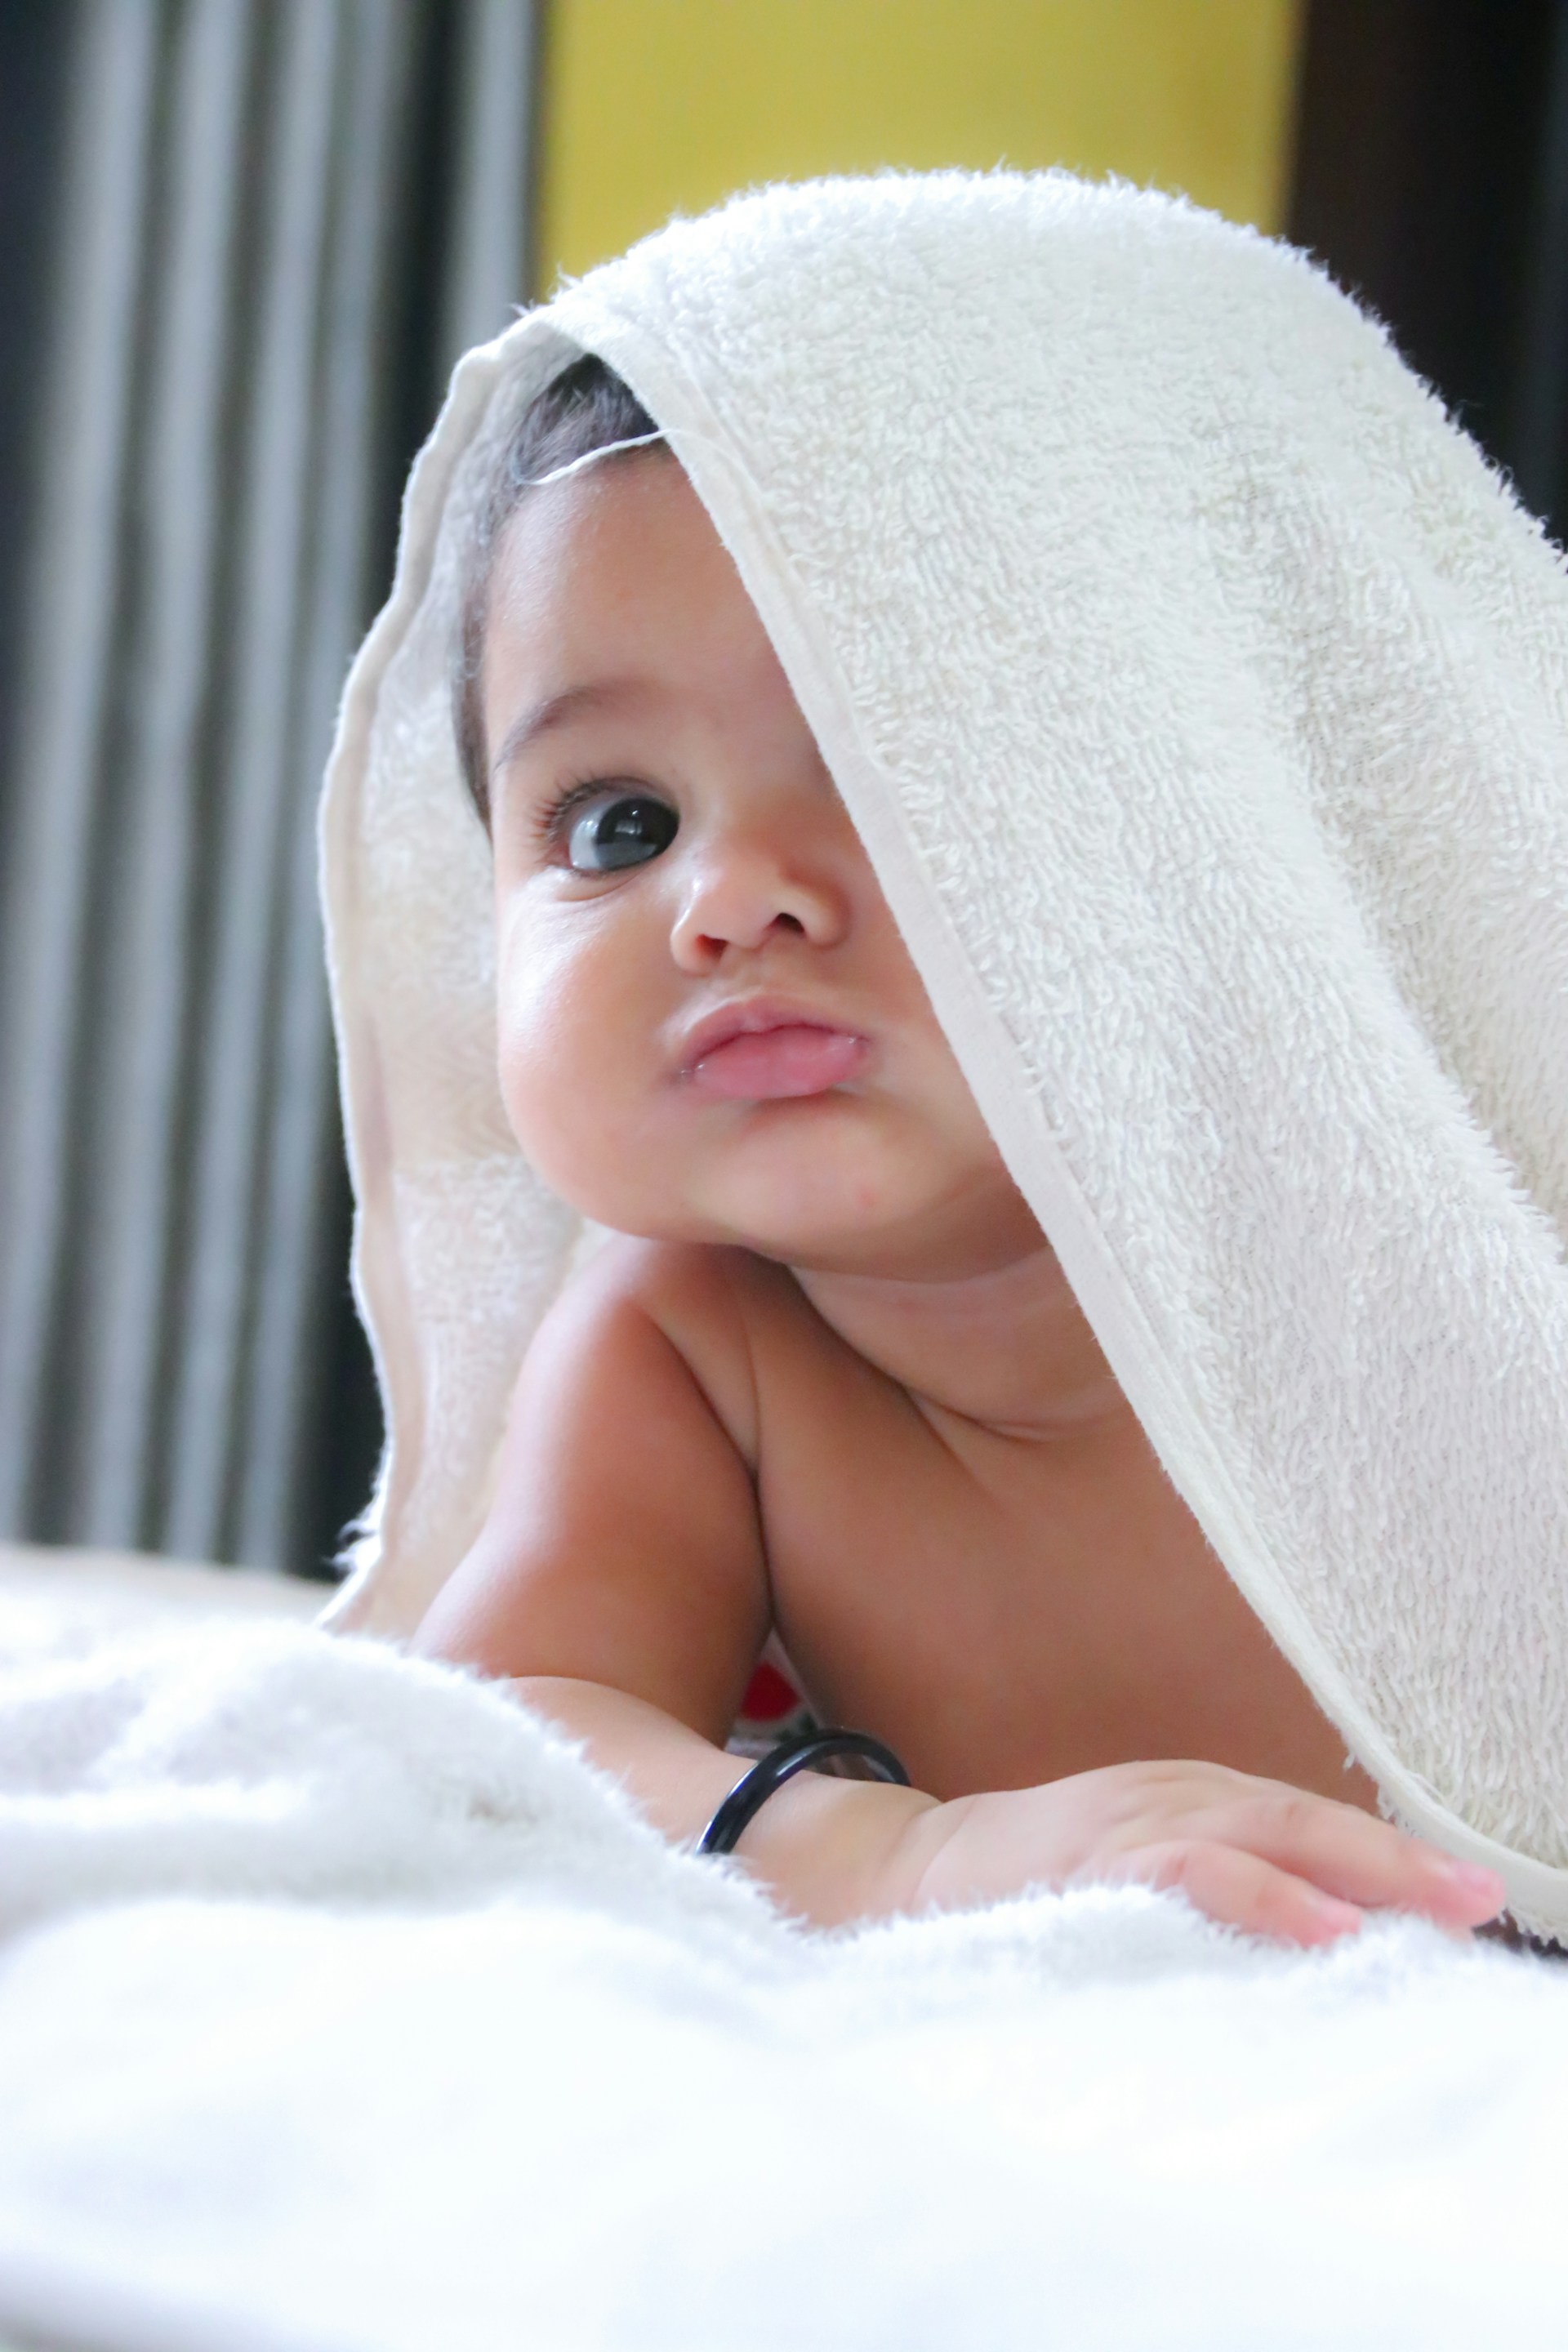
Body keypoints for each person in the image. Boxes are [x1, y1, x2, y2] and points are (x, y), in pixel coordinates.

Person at [410, 353, 1506, 1949]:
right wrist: (890, 1859)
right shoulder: (700, 1341)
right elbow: (492, 1741)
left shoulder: (1415, 1241)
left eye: (886, 765)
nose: (729, 899)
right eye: (619, 823)